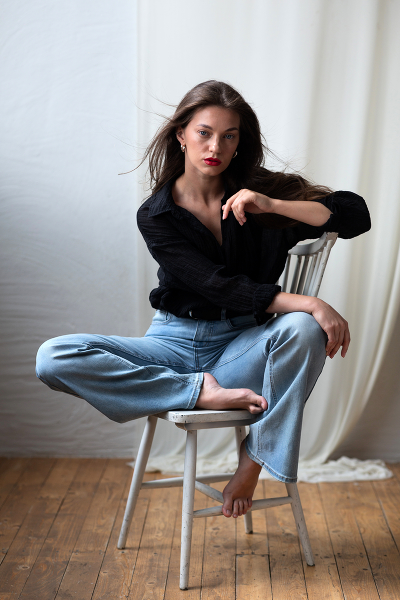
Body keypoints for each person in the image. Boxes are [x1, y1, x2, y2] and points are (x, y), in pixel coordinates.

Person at [36, 80, 371, 520]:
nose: (216, 146)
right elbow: (219, 285)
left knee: (303, 329)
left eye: (229, 136)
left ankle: (254, 460)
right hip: (171, 346)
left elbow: (355, 215)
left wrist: (273, 204)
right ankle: (196, 391)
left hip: (240, 348)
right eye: (204, 133)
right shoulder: (156, 214)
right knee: (53, 357)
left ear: (239, 142)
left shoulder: (259, 193)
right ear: (181, 134)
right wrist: (310, 301)